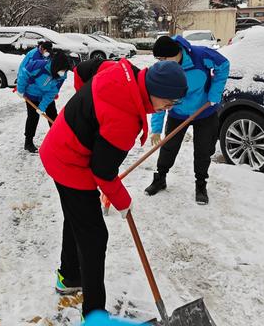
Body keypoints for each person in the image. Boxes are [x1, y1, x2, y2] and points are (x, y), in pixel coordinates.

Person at [39, 59, 188, 318]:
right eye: (169, 102)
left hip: (61, 145)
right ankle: (94, 315)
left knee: (78, 218)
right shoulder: (124, 119)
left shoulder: (122, 70)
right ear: (156, 92)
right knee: (95, 237)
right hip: (70, 162)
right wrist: (123, 200)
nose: (168, 108)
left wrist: (87, 112)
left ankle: (69, 276)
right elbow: (103, 172)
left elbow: (83, 72)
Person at [145, 35, 230, 205]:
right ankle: (160, 178)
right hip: (177, 113)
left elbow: (223, 65)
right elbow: (158, 98)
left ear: (176, 53)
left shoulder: (200, 55)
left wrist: (215, 93)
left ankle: (201, 184)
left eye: (164, 58)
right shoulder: (162, 69)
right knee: (169, 147)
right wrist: (156, 128)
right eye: (159, 59)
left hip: (204, 110)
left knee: (203, 150)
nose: (161, 62)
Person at [16, 49, 71, 153]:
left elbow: (53, 92)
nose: (63, 72)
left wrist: (42, 107)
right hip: (32, 95)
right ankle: (28, 142)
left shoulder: (61, 75)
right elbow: (24, 75)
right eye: (62, 69)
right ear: (56, 66)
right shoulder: (38, 66)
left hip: (46, 96)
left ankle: (57, 139)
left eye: (65, 70)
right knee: (33, 117)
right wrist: (20, 89)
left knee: (53, 115)